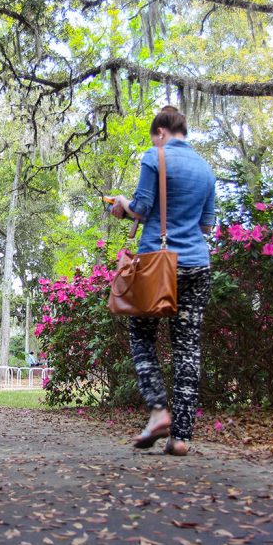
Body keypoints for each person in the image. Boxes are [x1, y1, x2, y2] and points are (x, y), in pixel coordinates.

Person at [109, 106, 215, 455]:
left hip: (158, 262)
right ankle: (182, 438)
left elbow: (141, 206)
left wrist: (122, 204)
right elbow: (205, 227)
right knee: (188, 349)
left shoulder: (155, 156)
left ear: (160, 133)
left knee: (141, 334)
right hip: (197, 264)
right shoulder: (206, 169)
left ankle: (158, 410)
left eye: (155, 136)